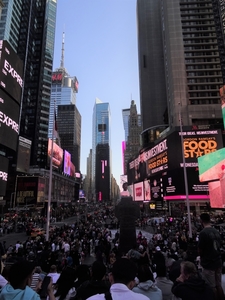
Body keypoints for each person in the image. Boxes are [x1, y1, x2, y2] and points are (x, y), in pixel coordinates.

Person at [198, 213, 224, 300]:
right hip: (218, 260)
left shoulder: (203, 233)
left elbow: (200, 249)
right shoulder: (216, 231)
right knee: (218, 285)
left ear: (201, 221)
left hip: (209, 262)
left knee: (212, 286)